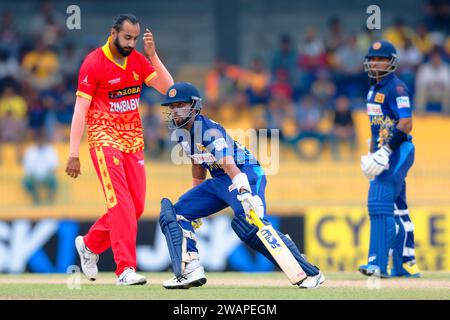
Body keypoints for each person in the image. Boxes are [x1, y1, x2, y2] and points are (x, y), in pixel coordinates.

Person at [158, 82, 324, 289]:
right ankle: (190, 269)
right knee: (176, 213)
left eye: (180, 105)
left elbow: (230, 164)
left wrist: (245, 192)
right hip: (219, 179)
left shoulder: (208, 131)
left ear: (194, 106)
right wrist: (195, 201)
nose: (174, 111)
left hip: (245, 172)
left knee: (251, 223)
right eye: (171, 106)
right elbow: (198, 164)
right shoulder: (183, 134)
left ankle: (309, 271)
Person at [65, 14, 173, 286]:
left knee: (135, 207)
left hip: (133, 141)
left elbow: (169, 89)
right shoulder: (93, 63)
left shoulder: (137, 59)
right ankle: (124, 269)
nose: (131, 43)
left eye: (135, 38)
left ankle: (89, 245)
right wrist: (73, 153)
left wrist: (153, 56)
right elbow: (80, 110)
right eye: (127, 37)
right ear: (112, 32)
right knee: (122, 204)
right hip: (104, 140)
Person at [359, 40, 420, 278]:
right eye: (373, 59)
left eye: (381, 58)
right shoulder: (373, 89)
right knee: (397, 207)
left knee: (378, 201)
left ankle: (377, 264)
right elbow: (379, 126)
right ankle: (404, 264)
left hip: (399, 151)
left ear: (391, 62)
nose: (376, 63)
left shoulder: (397, 88)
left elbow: (406, 123)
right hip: (384, 152)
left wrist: (385, 151)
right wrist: (373, 151)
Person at [22, 130, 58, 205]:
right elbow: (27, 168)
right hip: (34, 176)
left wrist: (48, 175)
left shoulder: (50, 150)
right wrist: (32, 177)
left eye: (42, 139)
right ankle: (36, 199)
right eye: (39, 139)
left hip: (47, 176)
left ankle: (49, 200)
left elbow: (54, 167)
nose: (40, 141)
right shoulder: (30, 151)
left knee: (53, 180)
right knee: (26, 182)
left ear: (44, 139)